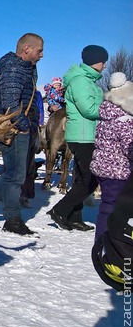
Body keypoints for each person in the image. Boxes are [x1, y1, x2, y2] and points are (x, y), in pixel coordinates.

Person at [0, 34, 44, 236]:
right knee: (16, 175)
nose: (42, 55)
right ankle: (12, 218)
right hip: (16, 127)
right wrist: (23, 125)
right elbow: (12, 103)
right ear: (27, 48)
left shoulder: (22, 68)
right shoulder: (15, 68)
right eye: (39, 51)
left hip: (20, 125)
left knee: (13, 172)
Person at [47, 45, 108, 231]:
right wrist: (112, 110)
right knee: (91, 178)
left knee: (82, 178)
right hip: (83, 135)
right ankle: (59, 210)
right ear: (94, 61)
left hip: (88, 134)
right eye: (102, 62)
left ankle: (74, 216)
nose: (104, 66)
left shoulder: (87, 80)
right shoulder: (81, 81)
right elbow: (88, 109)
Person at [90, 72, 133, 239]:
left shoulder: (106, 118)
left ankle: (107, 239)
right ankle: (106, 241)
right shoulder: (125, 122)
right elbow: (129, 148)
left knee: (108, 206)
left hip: (103, 168)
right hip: (118, 171)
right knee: (111, 208)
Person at [20, 89, 45, 208]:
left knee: (29, 162)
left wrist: (40, 122)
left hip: (32, 126)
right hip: (23, 125)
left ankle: (25, 194)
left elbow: (40, 107)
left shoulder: (37, 93)